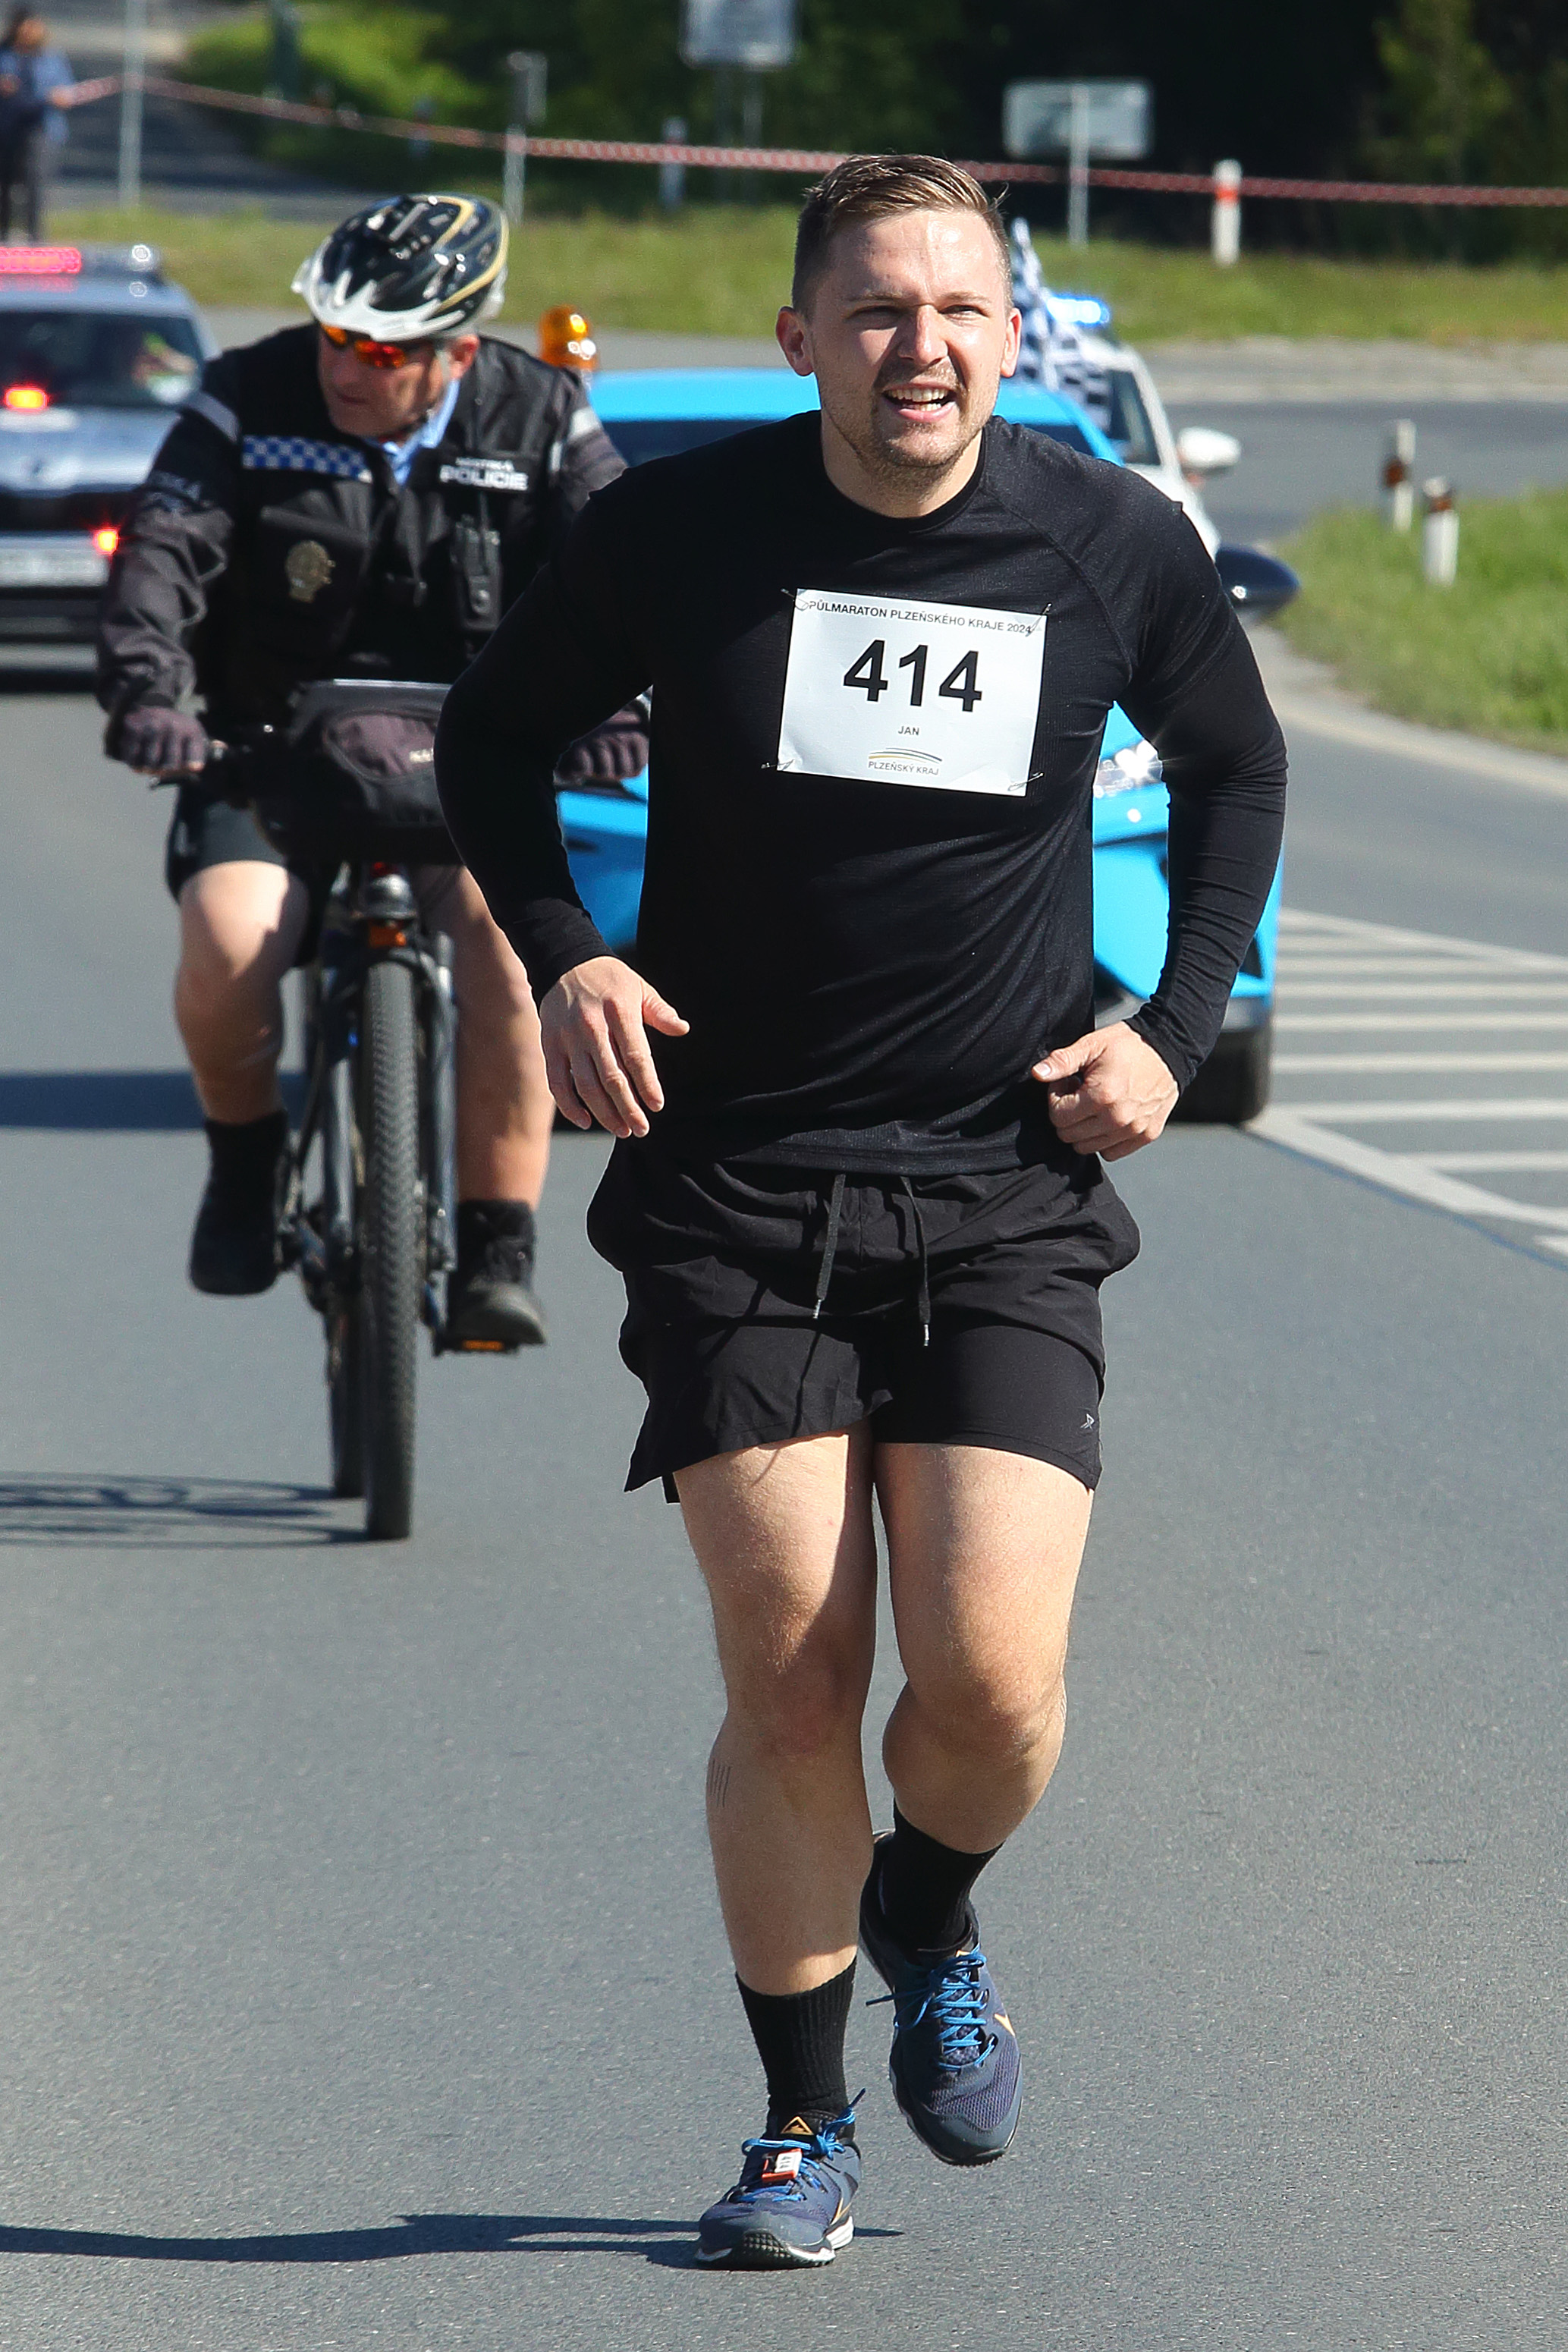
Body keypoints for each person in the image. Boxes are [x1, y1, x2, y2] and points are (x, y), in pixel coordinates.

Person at [436, 153, 1287, 2262]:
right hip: (736, 1181)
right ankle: (798, 2125)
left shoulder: (1103, 538)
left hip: (1003, 1182)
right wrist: (565, 952)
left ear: (1008, 334)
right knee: (794, 1675)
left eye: (961, 308)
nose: (924, 344)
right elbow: (491, 738)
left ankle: (926, 1900)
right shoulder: (678, 535)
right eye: (880, 309)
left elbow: (1237, 767)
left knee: (988, 1689)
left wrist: (1175, 1027)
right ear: (802, 335)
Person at [96, 193, 644, 1343]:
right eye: (335, 336)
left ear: (459, 352)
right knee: (228, 942)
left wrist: (620, 709)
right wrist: (149, 693)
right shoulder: (245, 394)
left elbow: (623, 569)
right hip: (267, 758)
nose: (346, 367)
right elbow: (163, 549)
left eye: (384, 351)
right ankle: (245, 1167)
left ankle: (497, 1243)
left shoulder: (543, 413)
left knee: (515, 958)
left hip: (473, 765)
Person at [0, 11, 71, 244]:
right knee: (5, 184)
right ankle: (4, 235)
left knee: (35, 183)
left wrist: (60, 97)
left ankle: (35, 238)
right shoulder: (5, 56)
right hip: (8, 128)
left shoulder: (52, 58)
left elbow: (67, 88)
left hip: (42, 128)